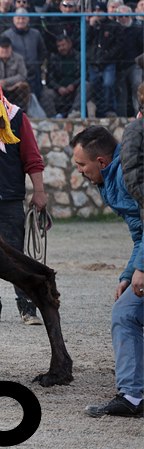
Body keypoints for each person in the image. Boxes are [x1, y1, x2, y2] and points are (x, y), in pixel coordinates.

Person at [72, 126, 143, 418]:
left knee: (126, 314)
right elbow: (140, 232)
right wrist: (128, 275)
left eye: (81, 165)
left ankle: (132, 396)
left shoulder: (129, 176)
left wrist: (141, 268)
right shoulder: (113, 178)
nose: (79, 172)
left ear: (101, 162)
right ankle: (131, 396)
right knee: (125, 313)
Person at [0, 104, 46, 325]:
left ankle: (27, 307)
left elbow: (32, 156)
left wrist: (39, 191)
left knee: (15, 252)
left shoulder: (16, 117)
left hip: (9, 199)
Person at [44, 32, 85, 117]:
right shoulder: (54, 59)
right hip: (59, 91)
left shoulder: (80, 57)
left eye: (63, 45)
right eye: (59, 46)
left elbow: (85, 75)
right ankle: (52, 118)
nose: (61, 48)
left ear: (70, 44)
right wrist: (58, 88)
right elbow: (50, 79)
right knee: (47, 93)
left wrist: (73, 85)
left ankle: (75, 112)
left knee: (86, 86)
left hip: (75, 89)